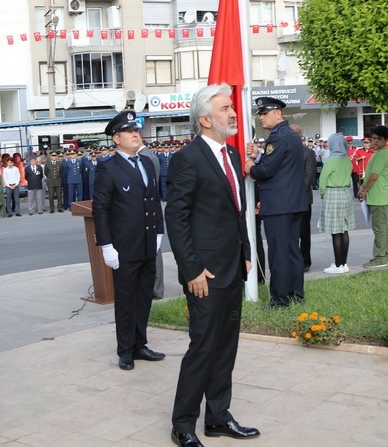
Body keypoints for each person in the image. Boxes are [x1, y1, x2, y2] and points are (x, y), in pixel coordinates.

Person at [165, 84, 258, 447]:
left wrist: (246, 250)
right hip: (204, 273)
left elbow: (238, 211)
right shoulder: (188, 158)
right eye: (224, 109)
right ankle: (183, 424)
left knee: (225, 347)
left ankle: (218, 417)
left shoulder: (232, 157)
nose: (233, 113)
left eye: (232, 107)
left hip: (233, 266)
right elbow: (178, 218)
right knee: (203, 348)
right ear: (204, 119)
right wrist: (191, 271)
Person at [92, 110, 165, 371]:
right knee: (125, 299)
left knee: (144, 296)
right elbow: (101, 209)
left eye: (137, 130)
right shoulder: (107, 167)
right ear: (116, 138)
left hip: (147, 242)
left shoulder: (146, 163)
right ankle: (125, 350)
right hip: (123, 247)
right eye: (129, 131)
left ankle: (140, 344)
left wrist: (158, 232)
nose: (136, 134)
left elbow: (155, 201)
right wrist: (106, 246)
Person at [244, 97, 307, 308]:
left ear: (277, 113)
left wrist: (250, 167)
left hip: (279, 204)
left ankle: (280, 299)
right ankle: (295, 293)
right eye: (260, 114)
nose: (261, 117)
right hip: (291, 202)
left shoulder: (278, 137)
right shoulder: (290, 135)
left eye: (264, 113)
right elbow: (282, 167)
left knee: (279, 252)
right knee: (291, 251)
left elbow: (266, 171)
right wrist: (260, 155)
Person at [318, 134, 356, 274]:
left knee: (335, 232)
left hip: (333, 193)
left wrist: (323, 193)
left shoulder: (331, 160)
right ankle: (344, 263)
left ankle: (338, 265)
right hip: (346, 193)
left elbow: (323, 180)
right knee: (344, 229)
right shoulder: (347, 160)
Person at [359, 125, 388, 268]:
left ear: (386, 140)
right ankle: (385, 255)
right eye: (373, 138)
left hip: (379, 196)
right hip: (378, 196)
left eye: (379, 139)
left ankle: (380, 257)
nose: (375, 141)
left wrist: (365, 190)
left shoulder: (382, 153)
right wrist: (363, 185)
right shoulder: (378, 152)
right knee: (382, 227)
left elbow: (374, 176)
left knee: (379, 228)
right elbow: (370, 175)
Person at [138, 141, 165, 300]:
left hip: (150, 209)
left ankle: (156, 289)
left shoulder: (148, 156)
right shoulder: (143, 155)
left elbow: (150, 186)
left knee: (154, 250)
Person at [291, 123, 315, 272]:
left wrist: (296, 195)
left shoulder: (308, 153)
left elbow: (309, 177)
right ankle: (293, 260)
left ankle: (305, 261)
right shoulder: (285, 151)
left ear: (299, 136)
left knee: (304, 233)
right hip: (288, 199)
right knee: (291, 233)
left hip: (303, 199)